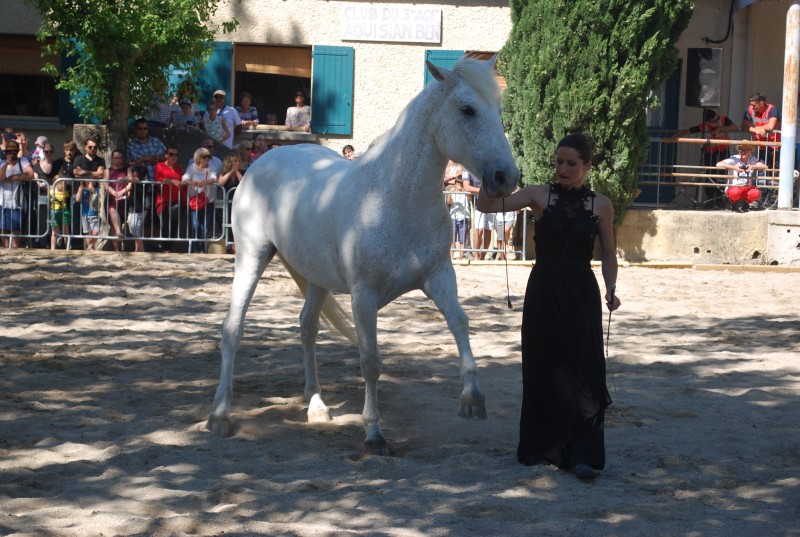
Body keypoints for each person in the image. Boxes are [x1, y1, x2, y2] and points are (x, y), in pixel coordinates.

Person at [477, 132, 620, 481]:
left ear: (587, 166)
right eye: (559, 162)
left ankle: (583, 454)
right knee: (544, 367)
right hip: (543, 290)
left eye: (571, 163)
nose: (563, 169)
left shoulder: (601, 204)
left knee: (584, 369)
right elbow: (486, 206)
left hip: (582, 292)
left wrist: (611, 288)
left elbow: (609, 254)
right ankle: (542, 448)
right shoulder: (538, 195)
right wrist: (489, 177)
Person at [671, 108, 739, 208]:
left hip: (723, 150)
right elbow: (686, 131)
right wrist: (672, 138)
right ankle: (710, 200)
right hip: (710, 152)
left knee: (722, 175)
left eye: (717, 119)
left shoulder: (723, 119)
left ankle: (720, 200)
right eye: (713, 121)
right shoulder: (703, 126)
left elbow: (734, 127)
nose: (716, 122)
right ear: (707, 122)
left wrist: (720, 129)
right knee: (709, 175)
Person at [182, 146, 218, 253]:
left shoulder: (211, 167)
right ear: (198, 158)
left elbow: (214, 178)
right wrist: (191, 182)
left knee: (204, 226)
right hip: (196, 200)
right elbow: (184, 178)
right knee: (195, 225)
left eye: (208, 157)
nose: (207, 159)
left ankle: (201, 247)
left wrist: (205, 181)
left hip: (208, 200)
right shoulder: (192, 167)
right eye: (204, 157)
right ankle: (195, 248)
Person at [0, 140, 34, 248]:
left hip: (16, 201)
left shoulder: (22, 161)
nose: (11, 154)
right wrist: (6, 163)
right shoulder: (1, 162)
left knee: (15, 227)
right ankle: (6, 248)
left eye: (14, 151)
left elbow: (30, 174)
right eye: (9, 152)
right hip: (2, 200)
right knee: (3, 227)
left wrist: (15, 177)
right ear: (5, 153)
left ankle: (15, 248)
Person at [716, 143, 768, 213]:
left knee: (756, 193)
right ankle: (733, 202)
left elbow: (765, 167)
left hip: (746, 188)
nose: (743, 152)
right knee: (735, 193)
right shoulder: (734, 158)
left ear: (750, 151)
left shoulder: (752, 159)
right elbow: (718, 164)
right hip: (734, 187)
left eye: (745, 150)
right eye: (741, 150)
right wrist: (734, 168)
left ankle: (746, 202)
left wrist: (753, 166)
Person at [155, 147, 186, 247]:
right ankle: (165, 248)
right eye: (171, 154)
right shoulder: (160, 166)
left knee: (174, 225)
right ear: (166, 155)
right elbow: (160, 179)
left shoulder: (178, 167)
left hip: (176, 200)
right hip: (164, 200)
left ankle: (169, 248)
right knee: (165, 225)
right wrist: (172, 181)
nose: (174, 157)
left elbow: (183, 178)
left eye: (176, 155)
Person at [741, 92, 780, 170]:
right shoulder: (750, 109)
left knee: (774, 171)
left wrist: (757, 129)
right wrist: (756, 130)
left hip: (774, 146)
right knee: (761, 170)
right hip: (761, 146)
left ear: (761, 103)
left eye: (754, 105)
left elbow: (770, 126)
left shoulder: (772, 109)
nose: (752, 107)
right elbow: (743, 126)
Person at [462, 168, 492, 260]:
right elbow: (466, 187)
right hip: (477, 204)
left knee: (488, 230)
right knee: (478, 231)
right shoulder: (466, 168)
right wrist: (483, 191)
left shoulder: (488, 166)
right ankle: (476, 257)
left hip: (491, 202)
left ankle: (482, 257)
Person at [218, 152, 243, 254]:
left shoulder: (242, 172)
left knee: (237, 225)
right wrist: (231, 171)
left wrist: (236, 172)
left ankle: (236, 246)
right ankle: (228, 246)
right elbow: (220, 182)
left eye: (238, 161)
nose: (237, 163)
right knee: (227, 224)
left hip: (238, 205)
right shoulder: (223, 173)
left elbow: (243, 182)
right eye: (234, 161)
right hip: (227, 204)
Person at [127, 118, 166, 182]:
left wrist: (158, 159)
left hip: (158, 181)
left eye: (145, 129)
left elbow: (168, 158)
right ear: (135, 129)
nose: (143, 131)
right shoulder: (130, 145)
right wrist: (144, 159)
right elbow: (129, 164)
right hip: (141, 182)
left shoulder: (156, 141)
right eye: (140, 129)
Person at [105, 149, 129, 251]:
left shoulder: (127, 169)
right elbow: (106, 184)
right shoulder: (108, 171)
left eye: (120, 158)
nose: (118, 160)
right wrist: (113, 192)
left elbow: (130, 183)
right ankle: (117, 248)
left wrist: (122, 192)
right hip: (112, 198)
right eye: (116, 158)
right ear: (112, 159)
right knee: (112, 213)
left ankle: (119, 239)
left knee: (120, 221)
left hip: (124, 198)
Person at [445, 173, 469, 260]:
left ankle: (460, 257)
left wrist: (464, 189)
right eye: (458, 183)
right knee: (452, 240)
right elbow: (449, 202)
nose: (459, 185)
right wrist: (450, 193)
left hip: (463, 218)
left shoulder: (466, 193)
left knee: (462, 240)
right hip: (453, 218)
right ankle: (451, 258)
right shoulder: (453, 192)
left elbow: (470, 197)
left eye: (461, 183)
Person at [125, 165, 148, 252]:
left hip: (138, 209)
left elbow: (133, 179)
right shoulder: (133, 182)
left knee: (135, 230)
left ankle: (140, 250)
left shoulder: (139, 180)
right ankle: (138, 249)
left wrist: (121, 178)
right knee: (134, 230)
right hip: (133, 208)